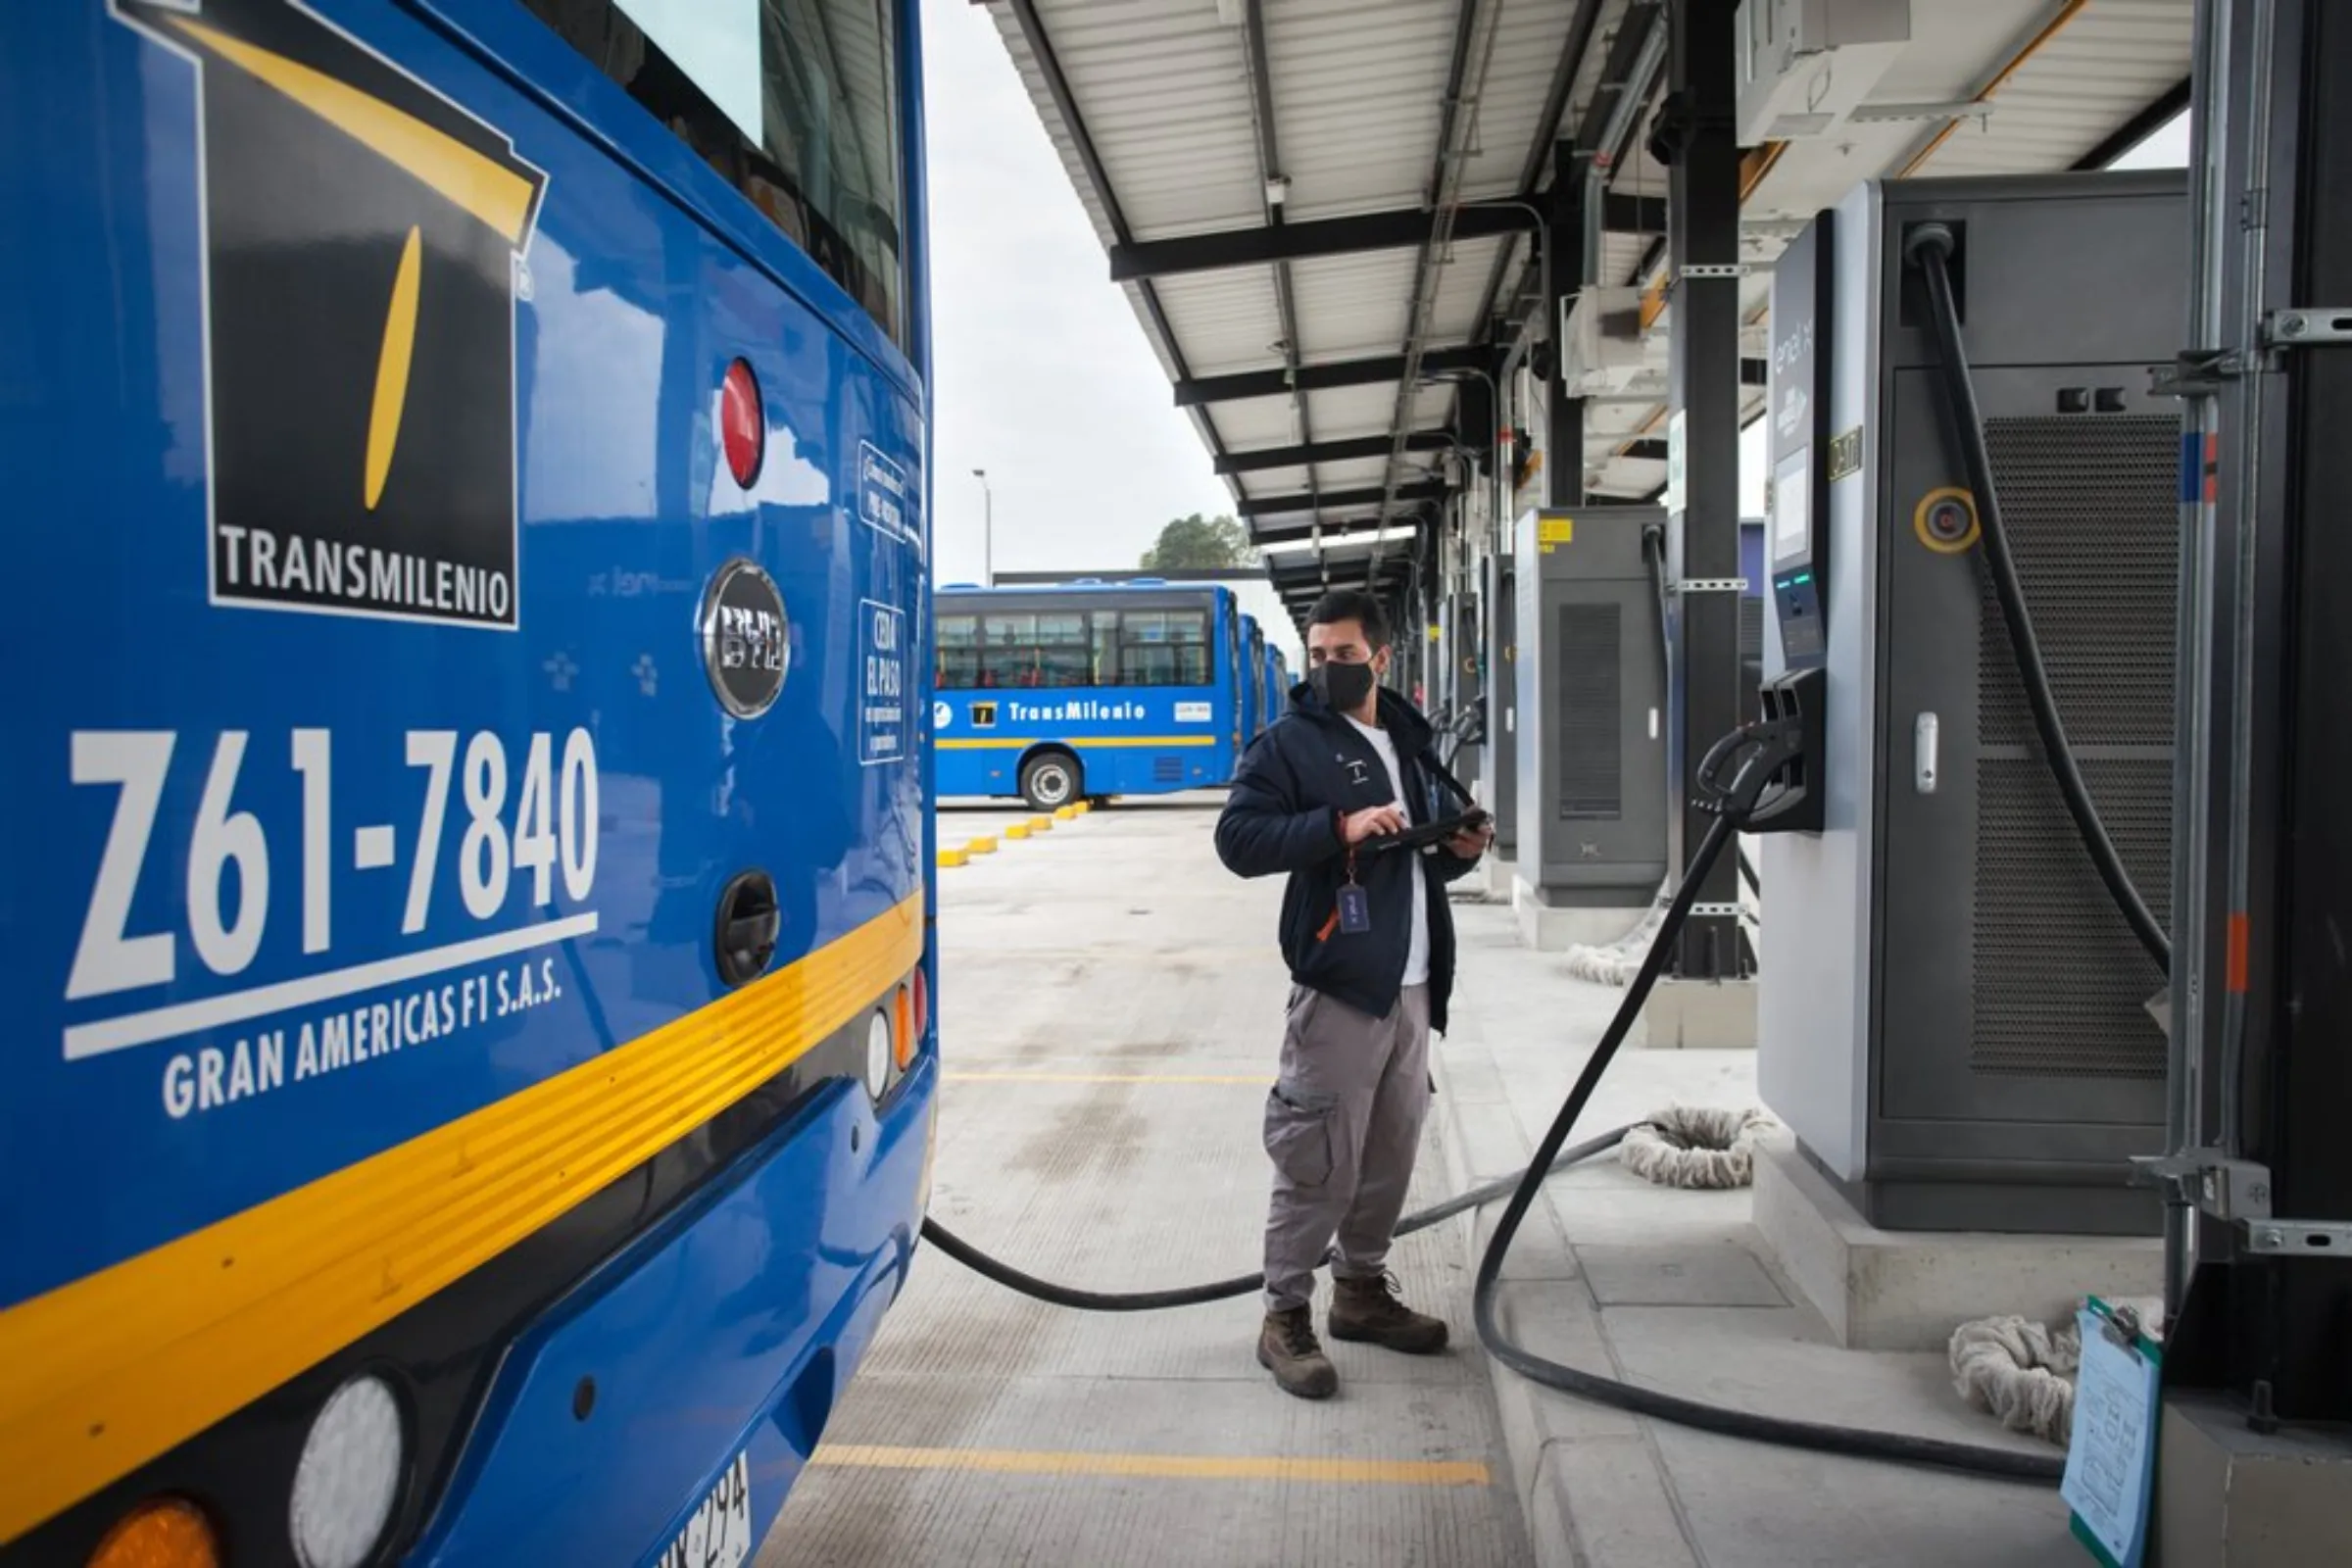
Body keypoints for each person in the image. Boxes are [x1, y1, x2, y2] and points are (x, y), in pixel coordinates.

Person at [1213, 589, 1495, 1399]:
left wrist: (1461, 847)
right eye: (1317, 654)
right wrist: (1336, 827)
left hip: (1410, 988)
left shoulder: (1408, 737)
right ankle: (1285, 1313)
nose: (1327, 667)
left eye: (1343, 655)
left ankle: (1362, 1292)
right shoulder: (1289, 745)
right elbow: (1238, 840)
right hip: (1340, 986)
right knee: (1318, 1158)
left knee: (1389, 1152)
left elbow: (1417, 860)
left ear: (1381, 656)